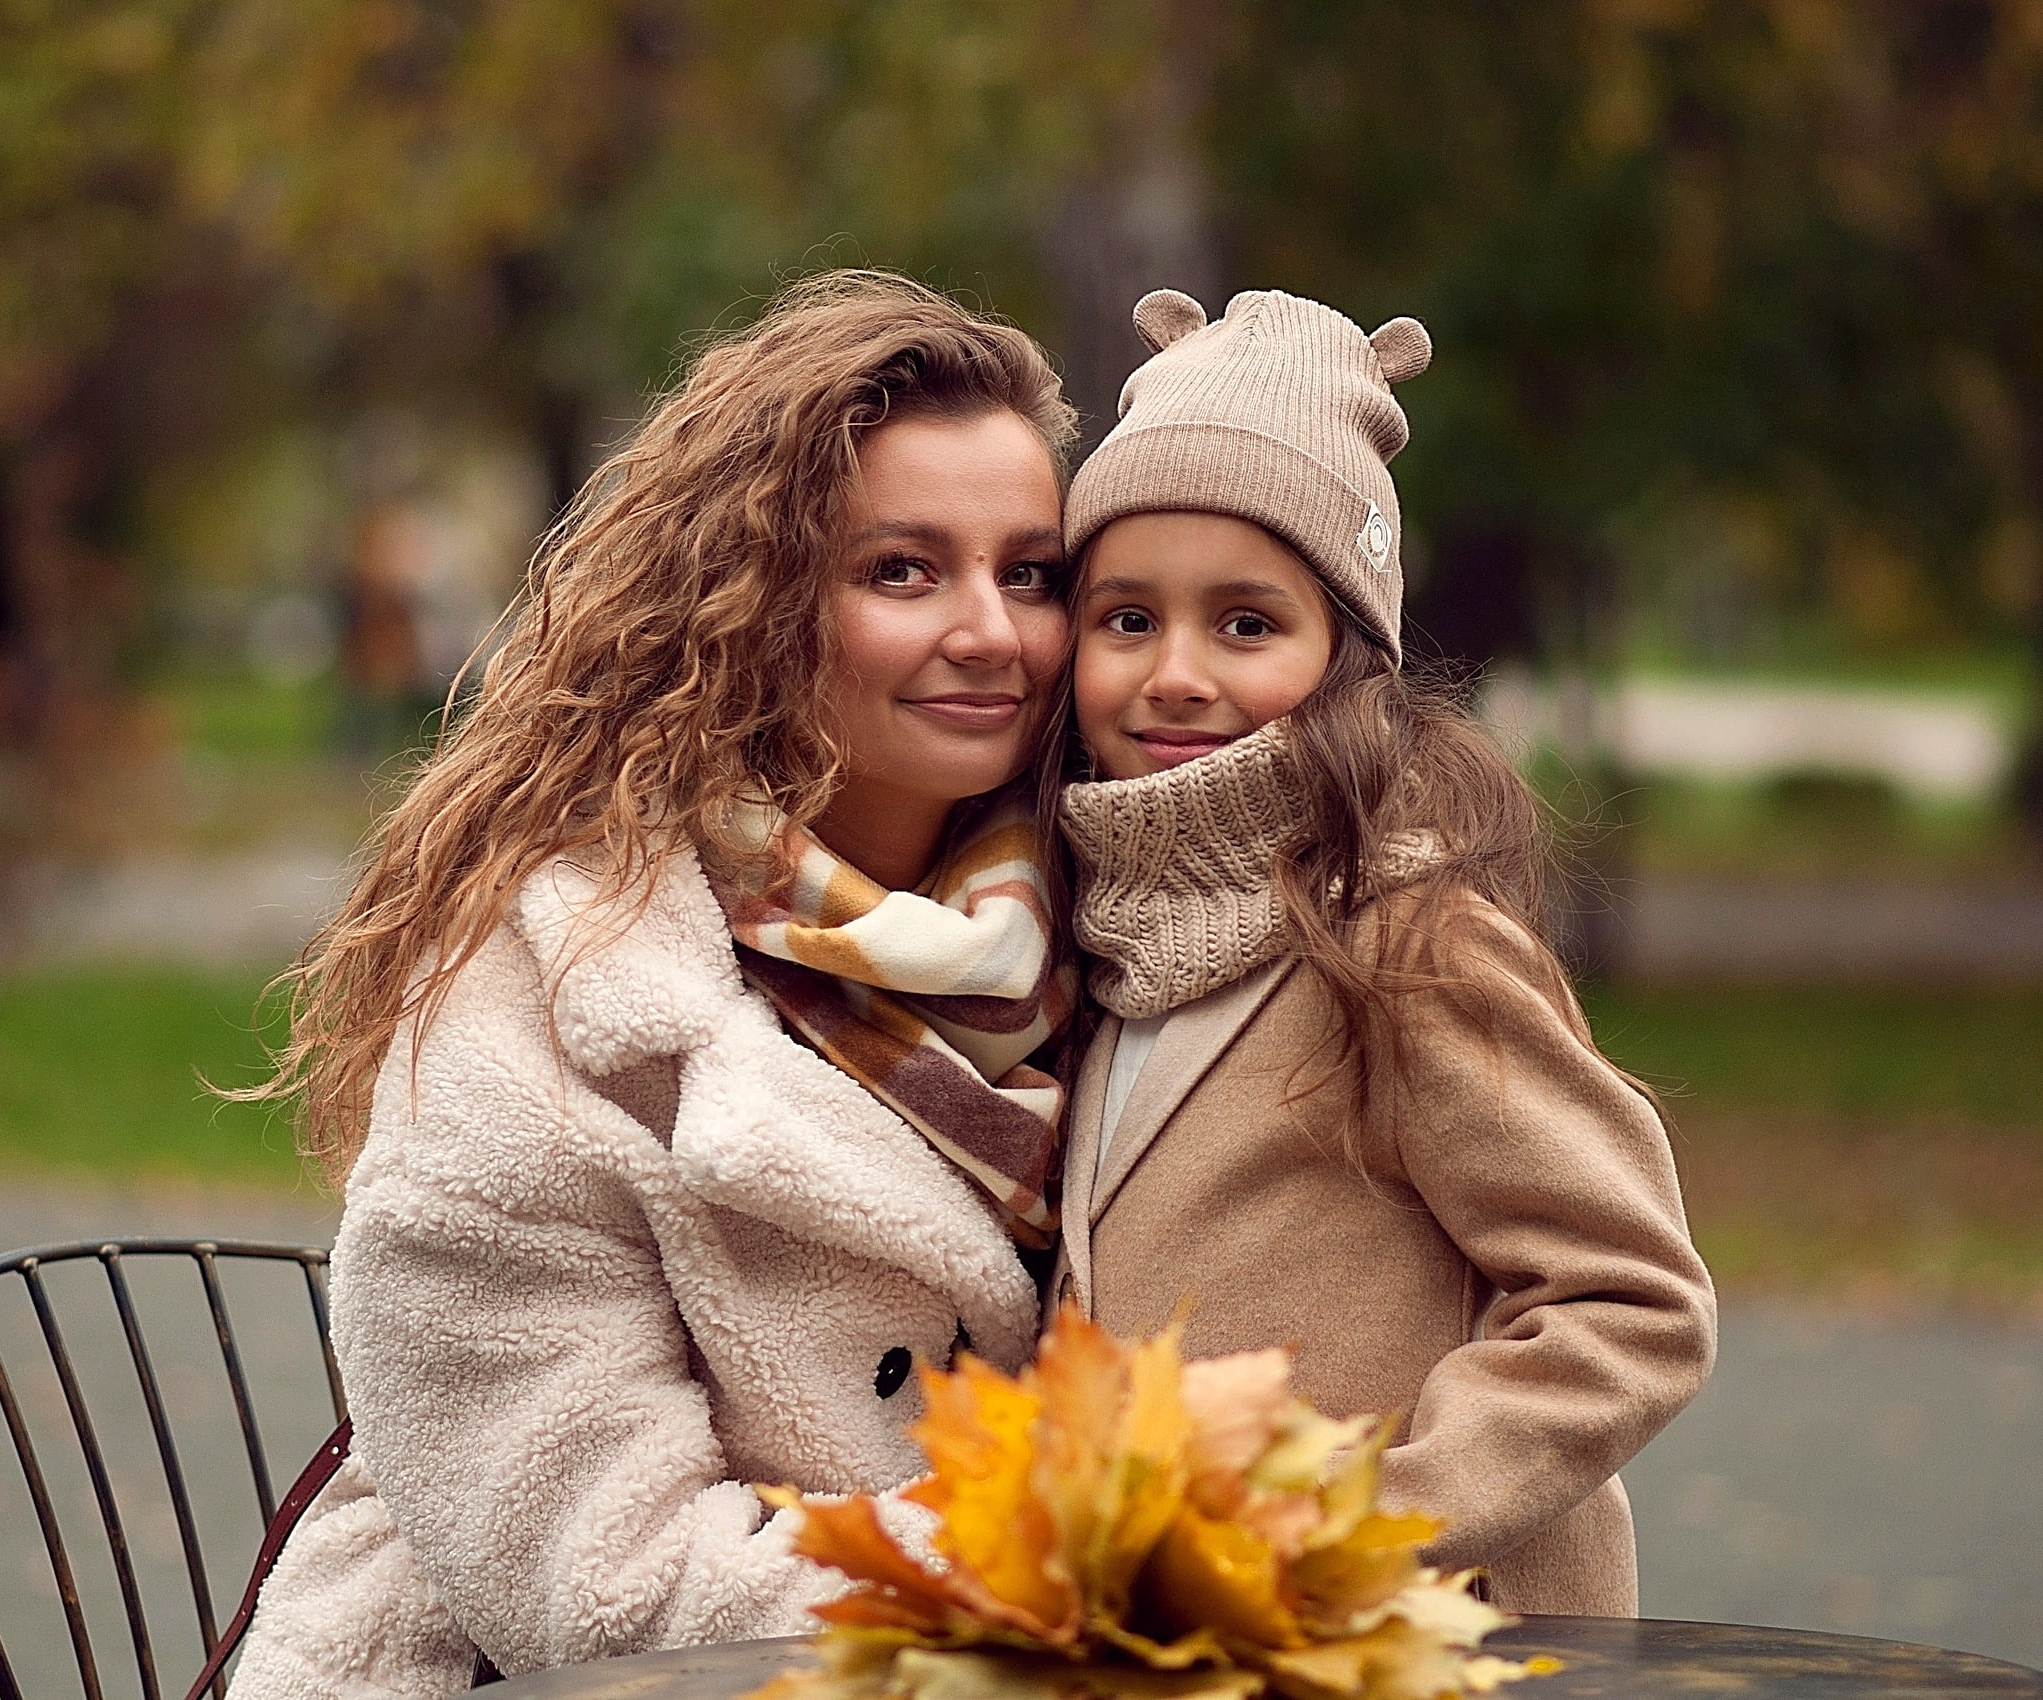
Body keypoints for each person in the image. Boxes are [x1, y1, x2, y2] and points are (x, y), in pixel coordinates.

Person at [228, 273, 1081, 1700]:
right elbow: (615, 1600)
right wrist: (1078, 1570)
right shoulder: (539, 1006)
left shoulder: (1103, 936)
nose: (993, 630)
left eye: (1033, 572)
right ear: (753, 604)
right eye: (903, 571)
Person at [1046, 287, 1717, 1615]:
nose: (1175, 671)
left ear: (1348, 655)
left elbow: (1628, 1300)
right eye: (1127, 619)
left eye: (1247, 623)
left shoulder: (1410, 940)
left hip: (1420, 1644)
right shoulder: (1093, 941)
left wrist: (1364, 1527)